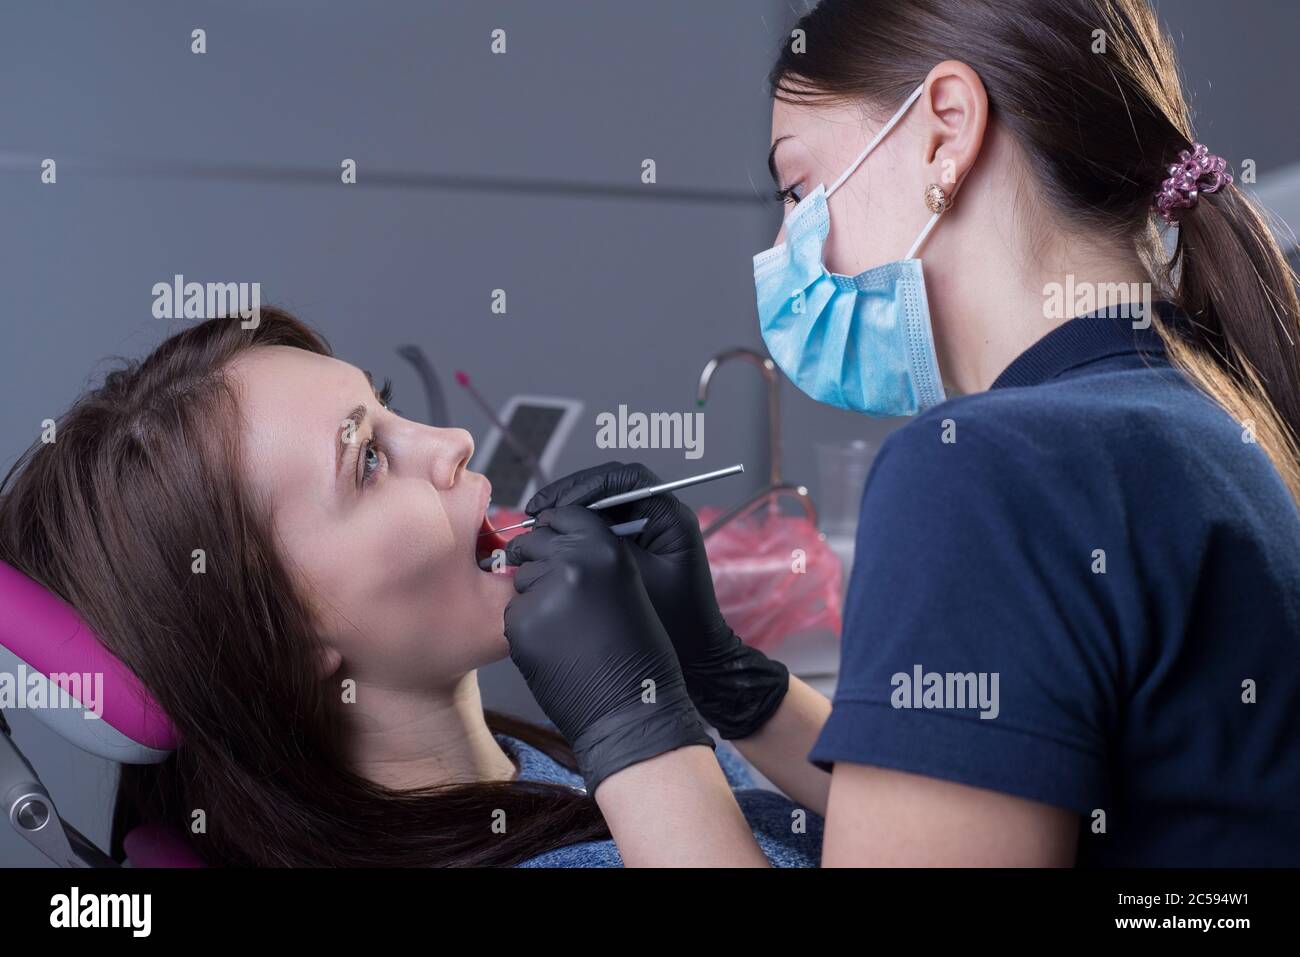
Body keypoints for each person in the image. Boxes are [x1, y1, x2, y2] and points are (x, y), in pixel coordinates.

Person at [499, 0, 1300, 866]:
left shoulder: (990, 469)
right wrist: (729, 677)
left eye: (799, 190)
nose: (785, 245)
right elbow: (973, 804)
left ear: (943, 133)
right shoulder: (1203, 403)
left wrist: (633, 725)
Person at [0, 306, 822, 867]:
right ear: (281, 633)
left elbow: (911, 835)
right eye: (367, 458)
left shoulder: (536, 767)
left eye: (384, 408)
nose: (454, 441)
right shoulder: (627, 768)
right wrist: (640, 734)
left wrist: (731, 684)